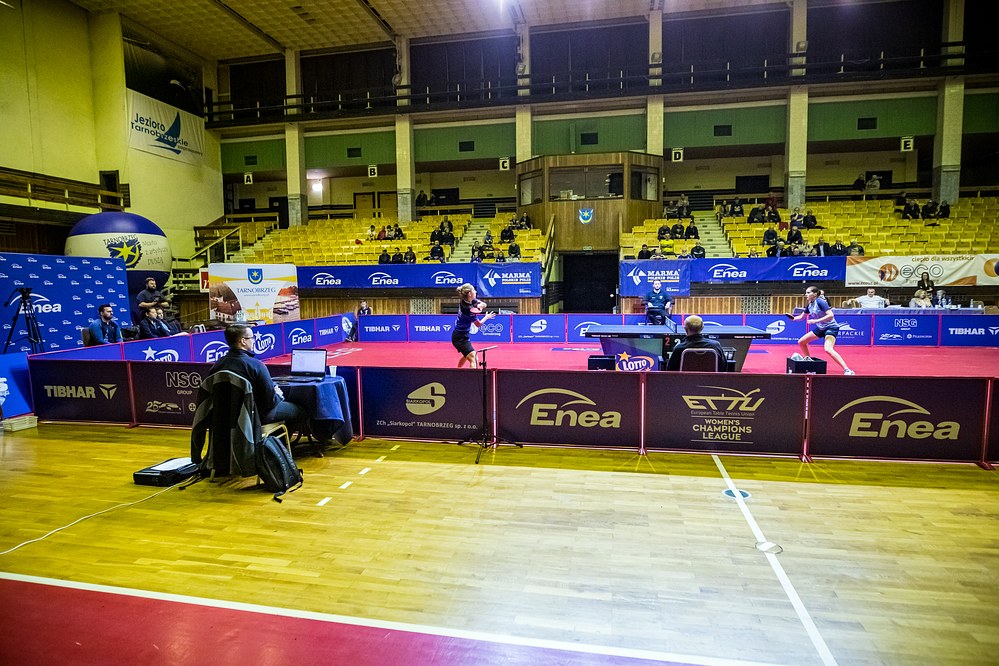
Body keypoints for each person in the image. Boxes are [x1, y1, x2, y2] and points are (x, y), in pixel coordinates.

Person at [210, 324, 306, 426]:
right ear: (243, 341)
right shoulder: (256, 365)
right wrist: (278, 395)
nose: (254, 341)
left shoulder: (216, 366)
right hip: (255, 415)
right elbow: (270, 402)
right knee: (301, 411)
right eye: (252, 338)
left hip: (224, 417)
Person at [790, 285, 855, 375]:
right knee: (801, 342)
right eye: (806, 293)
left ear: (815, 294)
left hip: (831, 328)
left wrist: (816, 321)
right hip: (821, 328)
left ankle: (847, 370)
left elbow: (830, 315)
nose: (806, 294)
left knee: (828, 349)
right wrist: (793, 318)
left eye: (808, 293)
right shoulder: (810, 305)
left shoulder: (820, 302)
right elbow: (801, 317)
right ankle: (808, 359)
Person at [452, 284, 496, 369]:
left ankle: (457, 372)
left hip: (462, 335)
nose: (475, 292)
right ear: (469, 293)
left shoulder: (466, 300)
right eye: (473, 290)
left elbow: (484, 304)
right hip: (459, 338)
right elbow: (478, 324)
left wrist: (479, 306)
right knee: (473, 358)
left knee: (466, 355)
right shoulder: (468, 309)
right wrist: (486, 317)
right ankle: (473, 376)